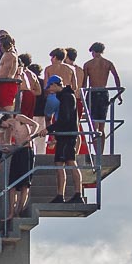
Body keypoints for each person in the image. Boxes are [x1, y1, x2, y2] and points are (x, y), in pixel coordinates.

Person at [0, 111, 40, 221]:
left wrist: (31, 135)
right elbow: (18, 143)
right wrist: (10, 149)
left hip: (27, 151)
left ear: (3, 121)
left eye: (2, 126)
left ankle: (19, 211)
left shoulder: (19, 118)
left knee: (25, 185)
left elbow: (35, 124)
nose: (4, 129)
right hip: (18, 152)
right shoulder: (11, 128)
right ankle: (11, 212)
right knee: (12, 185)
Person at [46, 75, 83, 204]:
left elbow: (65, 119)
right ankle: (60, 195)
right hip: (65, 135)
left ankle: (78, 194)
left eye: (50, 86)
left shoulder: (67, 97)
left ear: (55, 85)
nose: (49, 89)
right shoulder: (65, 96)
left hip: (68, 135)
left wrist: (49, 129)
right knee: (60, 164)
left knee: (70, 162)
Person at [82, 42, 122, 152]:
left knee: (93, 125)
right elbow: (116, 77)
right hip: (103, 92)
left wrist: (82, 97)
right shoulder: (108, 63)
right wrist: (119, 93)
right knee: (101, 126)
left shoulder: (88, 64)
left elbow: (84, 83)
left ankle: (97, 152)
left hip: (93, 93)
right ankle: (101, 152)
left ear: (94, 52)